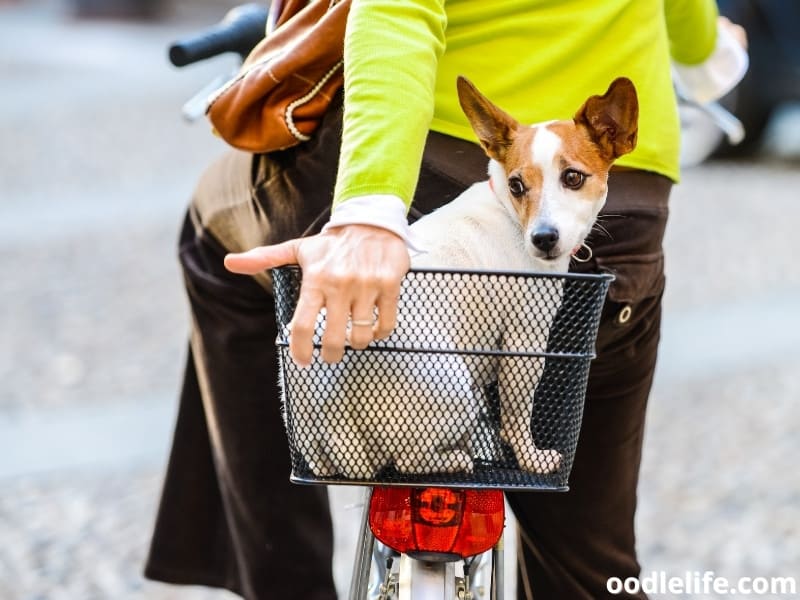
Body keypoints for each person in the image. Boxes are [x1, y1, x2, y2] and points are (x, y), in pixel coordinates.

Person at [145, 1, 745, 598]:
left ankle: (286, 583)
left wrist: (371, 211)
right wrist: (714, 53)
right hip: (622, 233)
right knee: (590, 563)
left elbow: (396, 13)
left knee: (213, 238)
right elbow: (691, 30)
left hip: (418, 182)